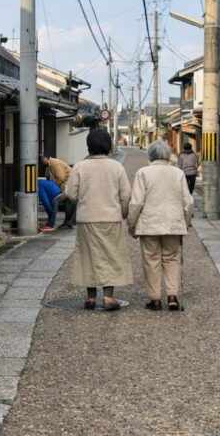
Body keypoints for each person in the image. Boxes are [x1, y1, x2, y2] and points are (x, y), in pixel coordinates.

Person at [64, 129, 132, 310]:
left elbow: (70, 194)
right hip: (110, 218)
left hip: (87, 218)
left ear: (89, 146)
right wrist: (124, 213)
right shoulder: (116, 167)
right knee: (110, 256)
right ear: (108, 145)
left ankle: (91, 297)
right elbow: (126, 195)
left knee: (88, 256)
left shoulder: (79, 166)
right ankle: (108, 297)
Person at [128, 140, 193, 311]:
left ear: (150, 155)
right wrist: (185, 224)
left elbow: (136, 203)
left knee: (151, 260)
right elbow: (188, 203)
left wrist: (131, 224)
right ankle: (172, 296)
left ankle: (154, 298)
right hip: (173, 223)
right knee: (172, 259)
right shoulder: (178, 173)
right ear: (167, 154)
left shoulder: (143, 173)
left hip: (149, 224)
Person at [41, 154, 76, 228]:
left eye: (42, 160)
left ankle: (54, 223)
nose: (42, 162)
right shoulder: (49, 165)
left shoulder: (54, 163)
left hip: (67, 184)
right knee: (67, 203)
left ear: (45, 158)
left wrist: (55, 187)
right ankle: (68, 223)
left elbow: (61, 177)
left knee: (56, 201)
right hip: (67, 185)